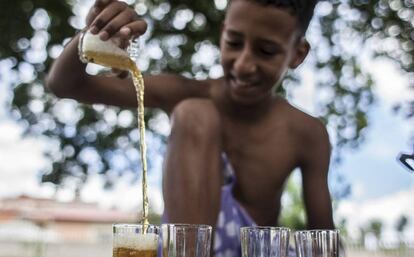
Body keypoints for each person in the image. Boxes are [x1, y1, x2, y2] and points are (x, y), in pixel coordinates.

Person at [46, 0, 336, 256]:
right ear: (222, 34)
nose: (245, 64)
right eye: (234, 43)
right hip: (182, 249)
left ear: (297, 54)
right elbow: (65, 84)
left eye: (266, 51)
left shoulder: (307, 133)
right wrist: (94, 37)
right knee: (194, 112)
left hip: (256, 250)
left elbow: (325, 241)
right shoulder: (186, 92)